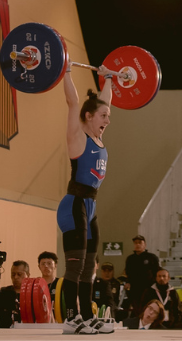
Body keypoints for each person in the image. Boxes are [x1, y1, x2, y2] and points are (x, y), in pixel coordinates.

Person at [58, 64, 115, 335]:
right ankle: (71, 318)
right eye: (103, 115)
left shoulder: (97, 136)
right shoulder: (77, 137)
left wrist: (109, 78)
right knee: (75, 266)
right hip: (74, 206)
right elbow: (73, 102)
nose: (108, 119)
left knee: (89, 268)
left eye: (109, 115)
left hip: (90, 208)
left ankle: (86, 315)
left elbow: (106, 100)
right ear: (89, 117)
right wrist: (65, 71)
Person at [0, 260, 29, 328]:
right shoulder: (3, 293)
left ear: (28, 275)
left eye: (19, 274)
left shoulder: (33, 294)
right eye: (13, 274)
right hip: (4, 335)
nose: (16, 277)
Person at [124, 235, 160, 317]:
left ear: (145, 244)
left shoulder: (151, 257)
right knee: (136, 309)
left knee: (148, 308)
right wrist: (128, 282)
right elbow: (128, 273)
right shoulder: (130, 259)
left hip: (148, 288)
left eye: (140, 242)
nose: (137, 245)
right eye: (135, 243)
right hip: (134, 289)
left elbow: (156, 272)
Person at [37, 251, 64, 320]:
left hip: (59, 322)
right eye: (43, 264)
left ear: (55, 265)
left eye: (49, 263)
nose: (46, 266)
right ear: (39, 266)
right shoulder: (35, 285)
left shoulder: (62, 284)